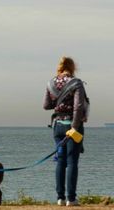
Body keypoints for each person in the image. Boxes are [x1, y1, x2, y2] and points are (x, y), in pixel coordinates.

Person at [43, 56, 88, 206]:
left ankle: (60, 198)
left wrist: (59, 101)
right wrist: (74, 127)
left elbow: (46, 105)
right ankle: (71, 198)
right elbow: (78, 107)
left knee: (60, 161)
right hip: (72, 126)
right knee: (72, 162)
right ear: (72, 67)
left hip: (57, 126)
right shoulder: (76, 83)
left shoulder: (51, 83)